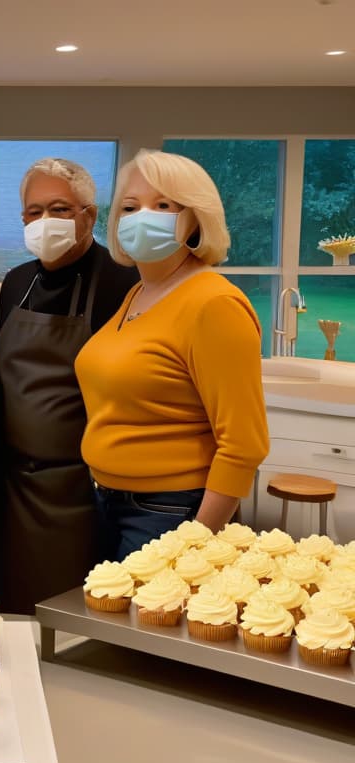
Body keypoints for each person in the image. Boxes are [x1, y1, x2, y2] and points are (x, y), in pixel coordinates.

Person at [76, 149, 269, 559]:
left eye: (163, 205)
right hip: (111, 500)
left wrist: (195, 543)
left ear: (195, 219)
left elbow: (244, 445)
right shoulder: (139, 293)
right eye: (131, 206)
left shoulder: (213, 303)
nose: (144, 215)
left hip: (171, 511)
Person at [0, 158, 138, 614]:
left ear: (89, 216)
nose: (44, 222)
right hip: (12, 485)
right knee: (12, 608)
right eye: (34, 213)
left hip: (82, 487)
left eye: (59, 209)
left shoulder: (122, 281)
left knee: (73, 614)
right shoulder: (16, 283)